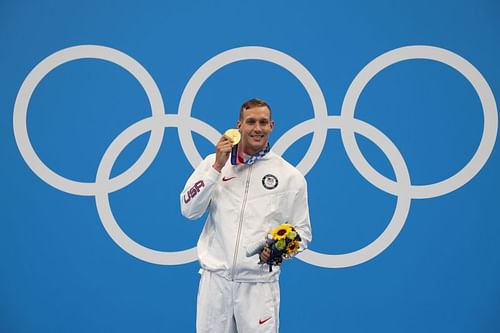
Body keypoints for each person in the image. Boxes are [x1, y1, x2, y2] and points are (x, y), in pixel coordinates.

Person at [180, 98, 312, 333]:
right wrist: (216, 169)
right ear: (238, 125)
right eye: (251, 122)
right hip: (215, 282)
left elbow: (302, 232)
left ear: (272, 126)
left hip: (258, 285)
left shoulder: (290, 176)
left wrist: (278, 251)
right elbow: (189, 209)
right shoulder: (214, 163)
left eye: (263, 122)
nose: (257, 128)